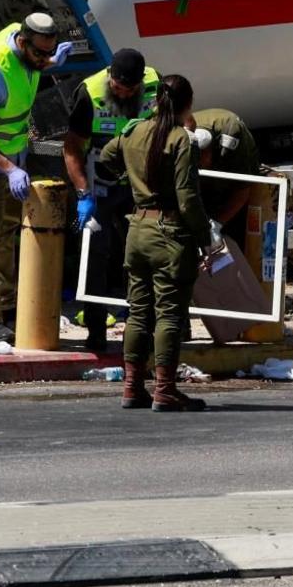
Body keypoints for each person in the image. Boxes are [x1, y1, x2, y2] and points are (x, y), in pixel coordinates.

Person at [95, 74, 211, 412]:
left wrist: (128, 176)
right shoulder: (181, 140)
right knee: (169, 315)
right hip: (170, 235)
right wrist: (205, 239)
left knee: (138, 312)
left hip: (138, 230)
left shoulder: (134, 131)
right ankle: (165, 389)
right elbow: (188, 199)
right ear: (187, 103)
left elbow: (107, 155)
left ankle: (132, 387)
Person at [0, 12, 70, 345]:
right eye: (40, 54)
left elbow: (30, 68)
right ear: (22, 42)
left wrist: (49, 63)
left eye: (49, 53)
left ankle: (5, 306)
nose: (44, 60)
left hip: (11, 155)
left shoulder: (24, 47)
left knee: (6, 234)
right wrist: (8, 168)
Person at [64, 48, 157, 354]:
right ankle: (95, 330)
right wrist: (82, 194)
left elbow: (183, 122)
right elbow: (73, 147)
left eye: (130, 89)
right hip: (99, 182)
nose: (124, 93)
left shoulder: (155, 86)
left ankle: (142, 326)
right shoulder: (89, 93)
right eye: (118, 88)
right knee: (94, 256)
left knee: (143, 254)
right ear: (110, 78)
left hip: (139, 182)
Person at [188, 107, 260, 230]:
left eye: (202, 158)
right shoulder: (184, 136)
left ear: (210, 150)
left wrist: (217, 224)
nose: (199, 163)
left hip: (237, 148)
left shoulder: (231, 135)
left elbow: (243, 190)